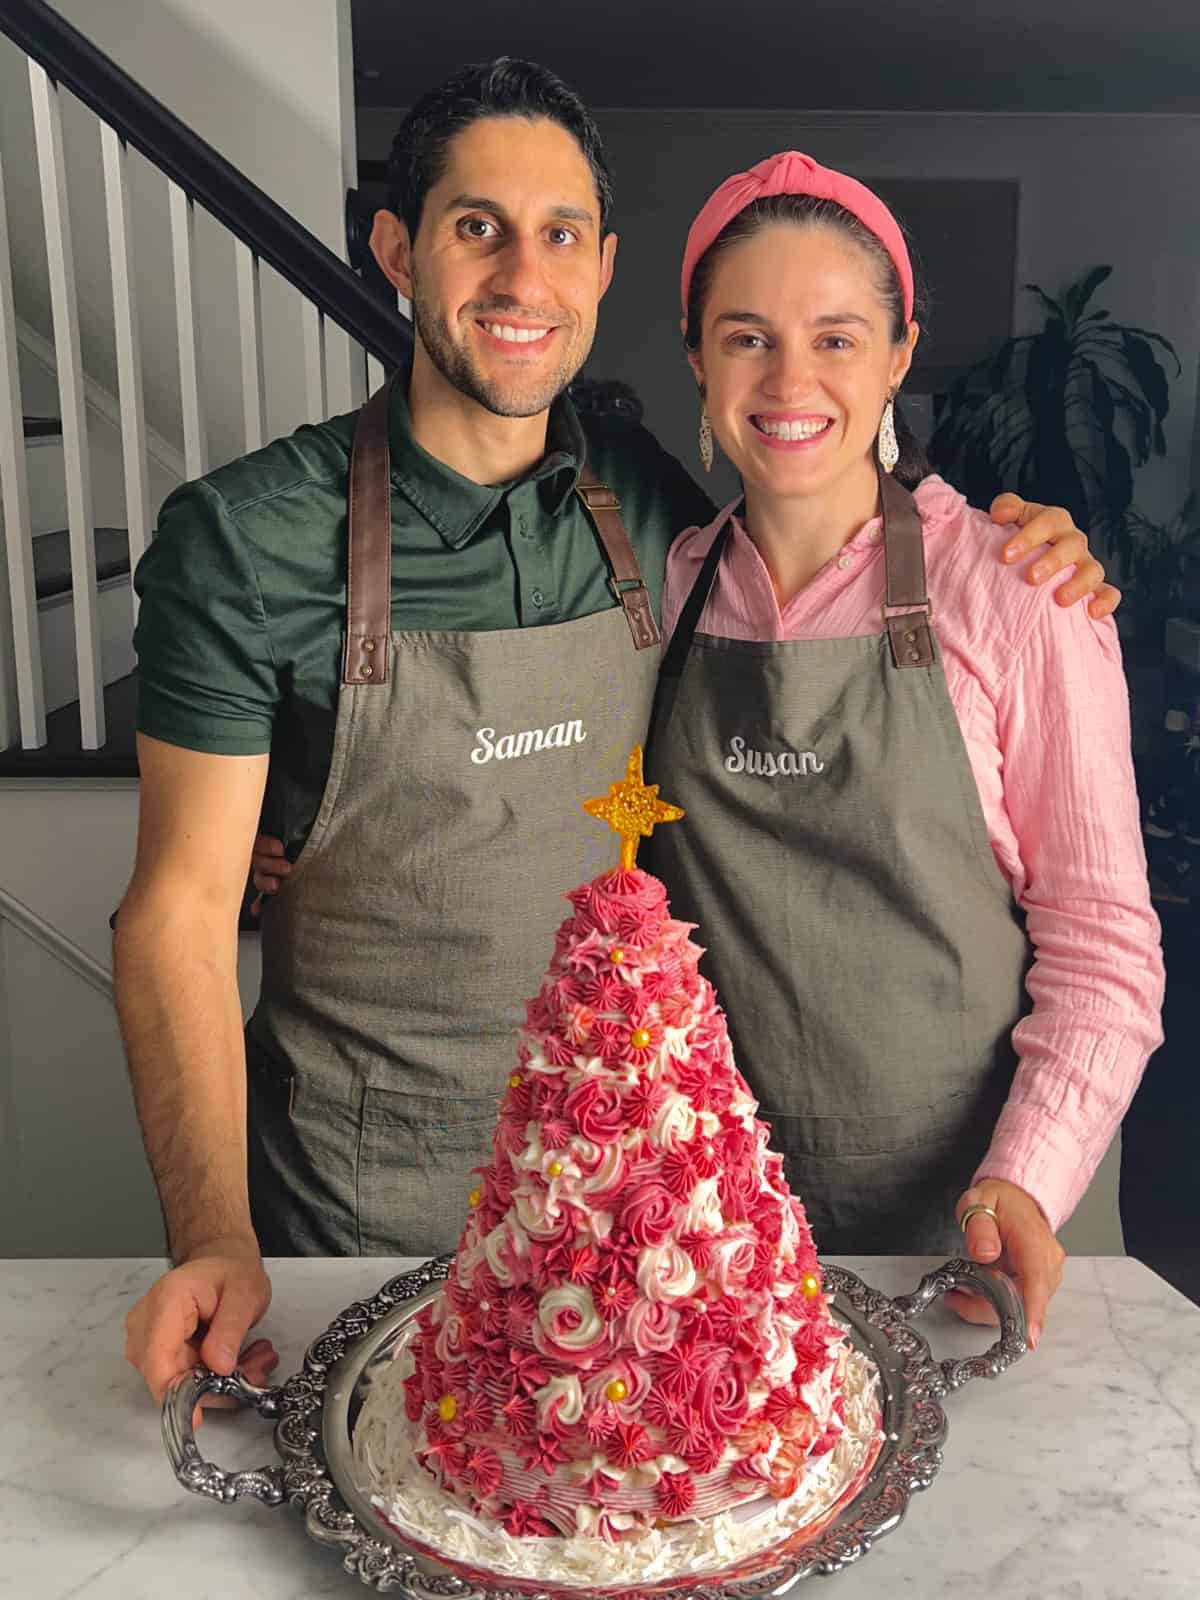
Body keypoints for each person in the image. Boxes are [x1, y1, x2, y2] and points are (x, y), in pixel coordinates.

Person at [117, 60, 1116, 1415]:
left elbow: (1094, 934)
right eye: (477, 226)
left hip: (645, 1204)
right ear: (398, 251)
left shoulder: (647, 513)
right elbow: (176, 911)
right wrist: (212, 1232)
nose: (523, 276)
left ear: (603, 269)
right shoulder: (253, 539)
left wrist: (1029, 552)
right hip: (359, 1199)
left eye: (561, 233)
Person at [637, 152, 1164, 1347]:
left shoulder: (1021, 593)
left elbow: (1106, 950)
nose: (791, 381)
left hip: (973, 1236)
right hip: (724, 1237)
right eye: (747, 338)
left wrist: (1024, 1178)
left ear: (898, 354)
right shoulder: (672, 588)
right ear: (697, 359)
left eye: (836, 338)